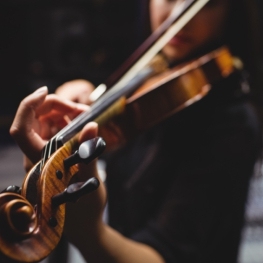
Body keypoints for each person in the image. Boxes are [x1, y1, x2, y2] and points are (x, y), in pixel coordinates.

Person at [9, 0, 262, 262]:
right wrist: (87, 95)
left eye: (205, 4)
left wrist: (90, 233)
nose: (178, 13)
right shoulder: (152, 73)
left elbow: (165, 254)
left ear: (232, 13)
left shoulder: (233, 125)